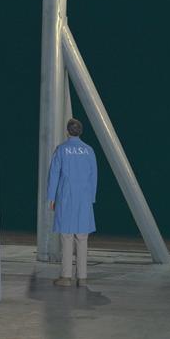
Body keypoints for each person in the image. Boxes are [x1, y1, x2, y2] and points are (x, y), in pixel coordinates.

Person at [47, 117, 98, 287]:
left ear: (67, 131)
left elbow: (54, 175)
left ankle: (66, 277)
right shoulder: (89, 150)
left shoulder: (61, 150)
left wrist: (52, 198)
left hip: (66, 197)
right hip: (84, 198)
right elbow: (93, 176)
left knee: (67, 236)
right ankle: (82, 278)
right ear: (80, 131)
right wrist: (91, 197)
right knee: (82, 237)